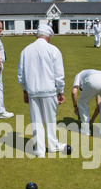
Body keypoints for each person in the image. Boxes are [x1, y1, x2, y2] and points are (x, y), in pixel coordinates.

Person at [17, 24, 66, 158]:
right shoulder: (53, 50)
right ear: (48, 36)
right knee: (50, 120)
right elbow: (59, 75)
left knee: (36, 121)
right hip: (49, 91)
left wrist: (25, 91)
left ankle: (39, 150)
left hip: (32, 91)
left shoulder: (26, 50)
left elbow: (21, 75)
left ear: (38, 35)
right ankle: (52, 145)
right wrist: (61, 92)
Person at [71, 69, 101, 135]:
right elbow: (99, 104)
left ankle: (85, 130)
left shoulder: (79, 75)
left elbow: (74, 92)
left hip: (93, 80)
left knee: (83, 103)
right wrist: (91, 121)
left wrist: (75, 107)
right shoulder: (89, 74)